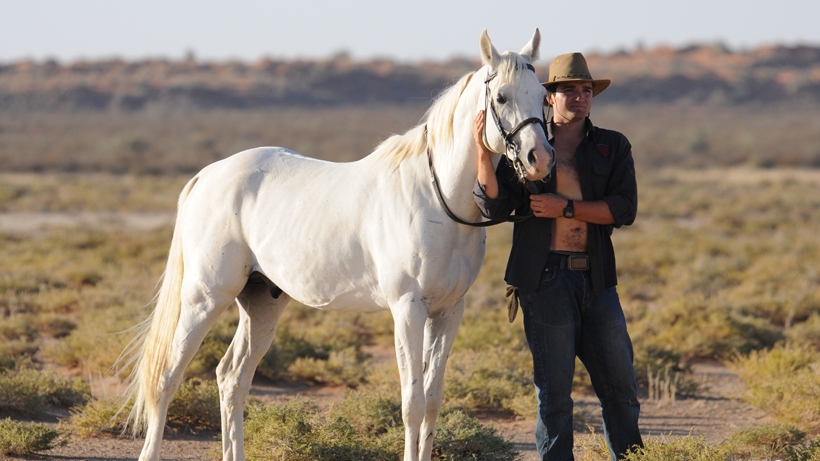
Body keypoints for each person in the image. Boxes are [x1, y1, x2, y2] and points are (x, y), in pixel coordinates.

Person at [472, 52, 643, 460]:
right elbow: (493, 208)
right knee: (554, 397)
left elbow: (624, 209)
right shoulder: (528, 146)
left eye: (586, 90)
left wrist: (564, 207)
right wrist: (483, 155)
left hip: (598, 281)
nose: (579, 98)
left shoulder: (611, 146)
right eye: (569, 90)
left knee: (621, 392)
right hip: (545, 281)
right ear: (550, 97)